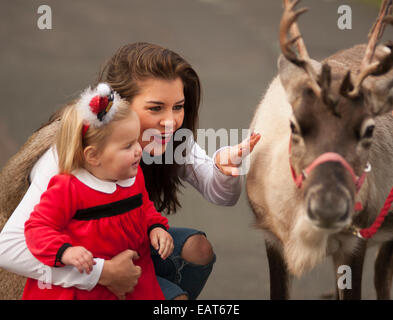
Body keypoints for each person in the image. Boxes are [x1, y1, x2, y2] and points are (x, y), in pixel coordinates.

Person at [0, 42, 261, 300]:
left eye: (178, 107)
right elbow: (8, 249)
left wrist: (225, 169)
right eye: (155, 108)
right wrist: (102, 274)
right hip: (61, 272)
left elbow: (222, 197)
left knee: (196, 249)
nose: (170, 121)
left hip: (125, 250)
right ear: (118, 105)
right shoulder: (74, 150)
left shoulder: (167, 137)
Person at [22, 83, 173, 300]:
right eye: (127, 146)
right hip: (86, 287)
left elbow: (144, 208)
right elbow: (37, 227)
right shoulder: (69, 188)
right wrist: (65, 251)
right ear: (93, 156)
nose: (139, 149)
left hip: (135, 276)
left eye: (136, 140)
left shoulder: (133, 176)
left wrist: (156, 227)